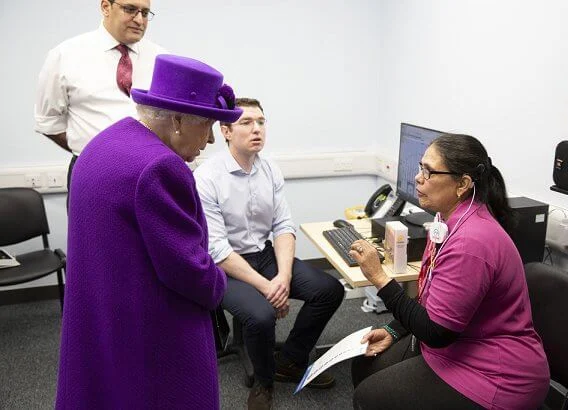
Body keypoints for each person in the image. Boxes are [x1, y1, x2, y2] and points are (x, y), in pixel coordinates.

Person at [55, 54, 242, 409]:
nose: (212, 140)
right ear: (176, 120)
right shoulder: (161, 167)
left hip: (101, 315)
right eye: (208, 125)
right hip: (150, 333)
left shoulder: (102, 144)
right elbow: (189, 272)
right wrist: (219, 280)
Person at [349, 134, 550, 410]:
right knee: (363, 365)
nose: (418, 178)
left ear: (463, 184)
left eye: (428, 172)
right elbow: (431, 301)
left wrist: (380, 279)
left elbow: (436, 332)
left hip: (495, 374)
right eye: (420, 168)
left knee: (367, 398)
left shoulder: (472, 242)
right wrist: (394, 330)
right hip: (458, 346)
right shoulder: (444, 222)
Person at [194, 98, 345, 410]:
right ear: (225, 130)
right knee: (261, 315)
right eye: (246, 122)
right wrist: (268, 289)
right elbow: (217, 249)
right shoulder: (207, 177)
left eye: (261, 122)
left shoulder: (270, 169)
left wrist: (283, 278)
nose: (257, 129)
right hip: (224, 266)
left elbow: (283, 225)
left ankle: (290, 359)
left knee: (329, 290)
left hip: (264, 256)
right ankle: (264, 382)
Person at [34, 0, 166, 190]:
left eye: (145, 13)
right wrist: (95, 153)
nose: (139, 20)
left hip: (150, 173)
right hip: (91, 174)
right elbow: (48, 122)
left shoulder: (161, 59)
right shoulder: (66, 55)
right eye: (130, 10)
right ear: (106, 7)